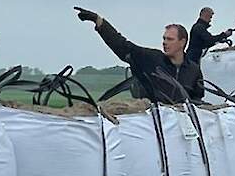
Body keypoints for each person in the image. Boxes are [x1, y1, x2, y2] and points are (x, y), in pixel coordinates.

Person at [74, 6, 204, 103]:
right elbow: (123, 46)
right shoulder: (152, 59)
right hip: (154, 124)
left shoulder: (194, 70)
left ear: (182, 42)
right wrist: (99, 21)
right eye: (164, 38)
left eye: (169, 39)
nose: (164, 42)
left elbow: (198, 100)